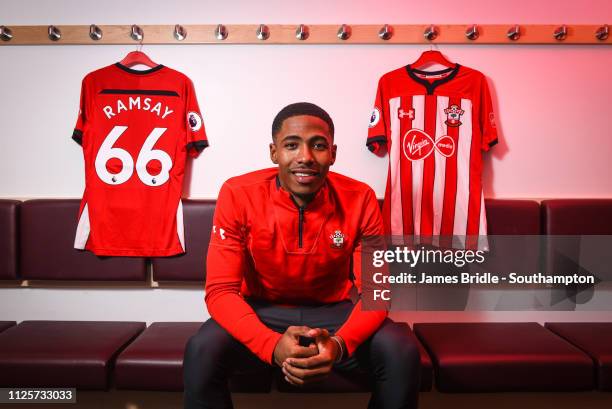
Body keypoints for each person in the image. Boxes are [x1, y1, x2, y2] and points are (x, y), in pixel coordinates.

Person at [183, 102, 421, 409]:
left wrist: (337, 344)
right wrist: (271, 345)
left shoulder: (360, 198)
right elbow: (220, 292)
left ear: (333, 153)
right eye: (291, 145)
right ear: (274, 152)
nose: (305, 157)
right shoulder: (238, 193)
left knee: (400, 350)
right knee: (202, 349)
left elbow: (377, 292)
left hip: (333, 315)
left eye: (318, 145)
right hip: (260, 311)